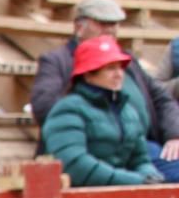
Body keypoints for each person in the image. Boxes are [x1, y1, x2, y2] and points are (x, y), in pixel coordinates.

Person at [29, 0, 179, 183]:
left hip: (137, 144)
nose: (109, 29)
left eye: (114, 24)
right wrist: (102, 125)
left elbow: (162, 98)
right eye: (102, 23)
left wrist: (174, 135)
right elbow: (45, 108)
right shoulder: (58, 62)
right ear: (79, 27)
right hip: (91, 147)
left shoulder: (127, 61)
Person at [42, 36, 165, 187]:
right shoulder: (67, 109)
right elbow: (74, 164)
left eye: (120, 67)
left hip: (123, 196)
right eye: (110, 68)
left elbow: (140, 159)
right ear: (88, 75)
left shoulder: (128, 111)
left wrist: (150, 176)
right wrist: (134, 181)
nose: (119, 74)